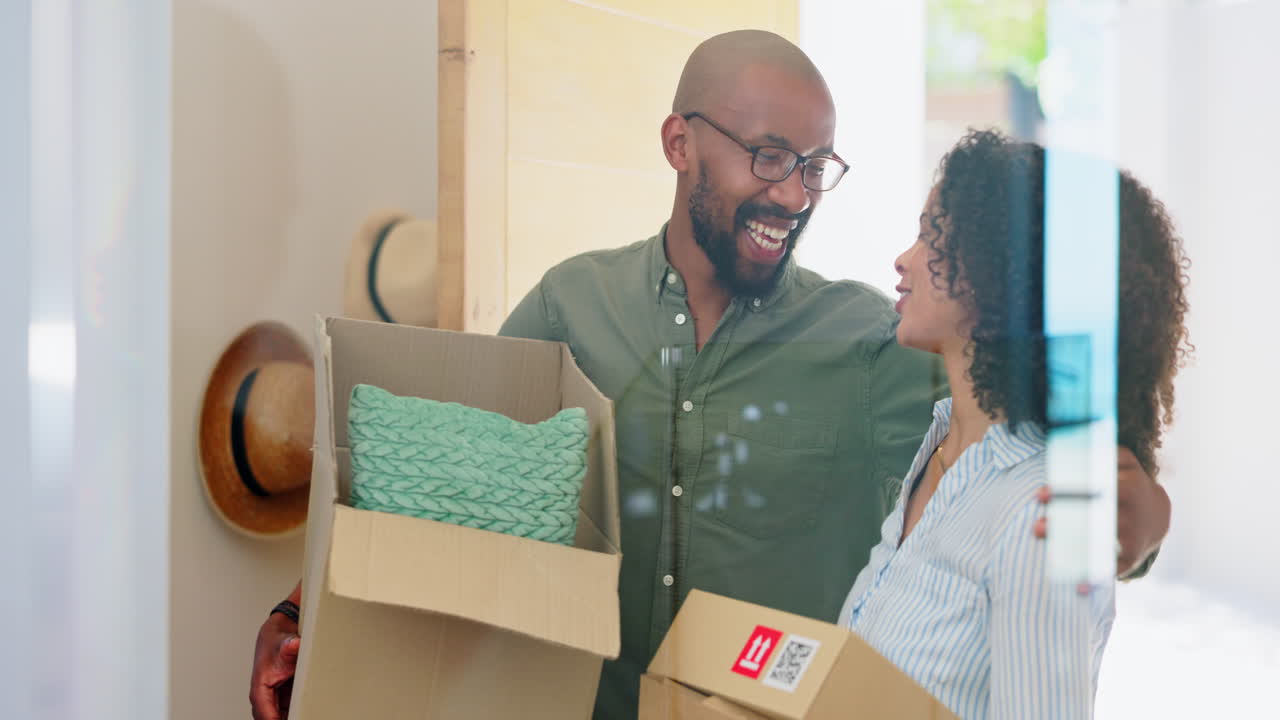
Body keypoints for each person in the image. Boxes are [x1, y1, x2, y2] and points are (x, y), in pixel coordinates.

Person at [249, 31, 1173, 720]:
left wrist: (1146, 516)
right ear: (678, 143)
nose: (794, 192)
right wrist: (300, 614)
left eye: (817, 166)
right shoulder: (573, 305)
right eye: (769, 155)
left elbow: (1034, 445)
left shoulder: (876, 344)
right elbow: (445, 480)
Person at [838, 129, 1191, 718]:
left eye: (931, 235)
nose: (904, 259)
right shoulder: (942, 447)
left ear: (999, 272)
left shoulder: (1041, 508)